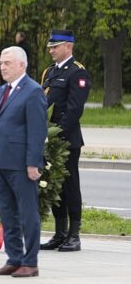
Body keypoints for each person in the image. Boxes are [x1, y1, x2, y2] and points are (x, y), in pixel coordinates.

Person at [0, 46, 47, 278]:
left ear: (22, 65)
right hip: (0, 162)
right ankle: (14, 258)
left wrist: (33, 163)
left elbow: (37, 130)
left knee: (27, 213)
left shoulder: (32, 91)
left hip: (21, 164)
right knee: (8, 213)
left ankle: (30, 262)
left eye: (8, 63)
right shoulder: (2, 90)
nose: (3, 66)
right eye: (1, 63)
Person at [39, 29, 90, 252]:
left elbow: (74, 110)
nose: (51, 50)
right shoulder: (49, 72)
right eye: (50, 46)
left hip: (67, 140)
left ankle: (74, 235)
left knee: (69, 186)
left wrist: (56, 133)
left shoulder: (77, 73)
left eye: (55, 46)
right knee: (54, 187)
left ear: (68, 47)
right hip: (48, 138)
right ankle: (60, 233)